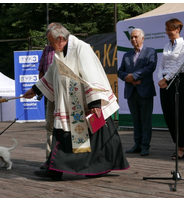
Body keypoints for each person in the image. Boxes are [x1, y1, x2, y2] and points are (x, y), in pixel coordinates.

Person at [23, 22, 129, 181]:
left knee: (95, 136)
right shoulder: (60, 52)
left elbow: (91, 74)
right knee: (65, 133)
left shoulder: (81, 48)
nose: (51, 46)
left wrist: (94, 103)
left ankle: (61, 169)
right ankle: (57, 168)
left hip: (85, 104)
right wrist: (36, 89)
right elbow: (52, 73)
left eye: (52, 42)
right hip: (70, 104)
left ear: (60, 39)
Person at [117, 28, 157, 156]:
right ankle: (137, 145)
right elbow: (120, 71)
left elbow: (150, 67)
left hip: (145, 91)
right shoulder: (126, 55)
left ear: (142, 38)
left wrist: (133, 76)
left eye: (136, 37)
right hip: (131, 92)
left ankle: (145, 146)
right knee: (136, 120)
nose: (133, 39)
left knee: (145, 121)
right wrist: (128, 78)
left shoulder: (151, 52)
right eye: (131, 37)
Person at [158, 18, 184, 160]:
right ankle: (178, 144)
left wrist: (166, 78)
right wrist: (160, 79)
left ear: (177, 29)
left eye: (169, 29)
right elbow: (161, 64)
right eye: (166, 29)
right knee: (168, 114)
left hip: (178, 82)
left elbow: (179, 65)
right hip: (165, 83)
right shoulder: (167, 45)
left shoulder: (183, 44)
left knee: (179, 115)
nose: (167, 32)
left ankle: (181, 148)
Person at [38, 44, 55, 163]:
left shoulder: (73, 47)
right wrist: (39, 89)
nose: (49, 42)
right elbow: (42, 71)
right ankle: (50, 160)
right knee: (50, 126)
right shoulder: (47, 49)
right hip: (51, 95)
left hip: (69, 95)